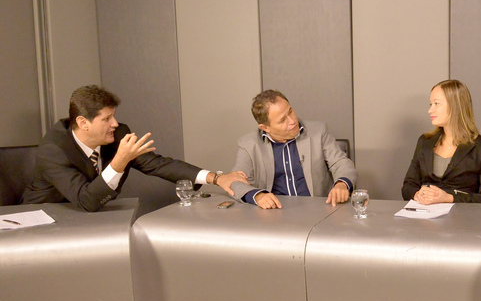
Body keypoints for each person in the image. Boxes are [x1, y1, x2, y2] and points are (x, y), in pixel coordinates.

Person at [23, 85, 246, 212]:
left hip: (90, 218)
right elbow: (86, 201)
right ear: (83, 123)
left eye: (114, 116)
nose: (115, 124)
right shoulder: (53, 150)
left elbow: (156, 164)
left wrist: (216, 178)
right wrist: (118, 162)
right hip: (45, 218)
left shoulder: (118, 133)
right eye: (106, 118)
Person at [229, 90, 357, 209]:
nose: (292, 121)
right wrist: (258, 196)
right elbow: (235, 181)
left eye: (290, 111)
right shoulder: (249, 144)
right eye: (282, 120)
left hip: (319, 209)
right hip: (276, 213)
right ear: (265, 128)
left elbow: (341, 163)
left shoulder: (318, 131)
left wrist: (342, 184)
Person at [401, 79, 481, 204]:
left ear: (455, 106)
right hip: (424, 212)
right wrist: (417, 195)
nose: (430, 110)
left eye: (436, 104)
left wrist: (449, 198)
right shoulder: (425, 142)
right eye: (430, 104)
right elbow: (408, 186)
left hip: (462, 214)